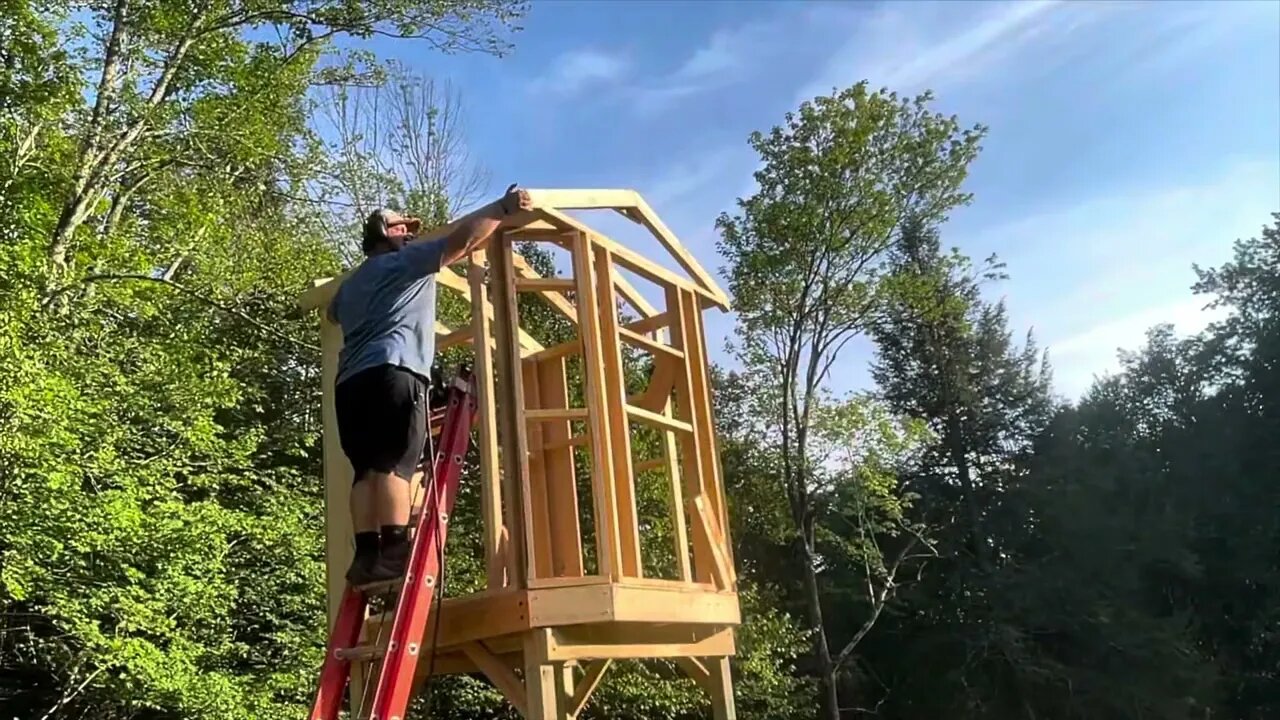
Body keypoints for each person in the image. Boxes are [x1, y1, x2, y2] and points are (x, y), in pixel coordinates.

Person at [327, 184, 532, 586]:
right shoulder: (404, 263)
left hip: (349, 383)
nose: (411, 235)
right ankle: (395, 551)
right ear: (386, 233)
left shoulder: (350, 287)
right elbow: (462, 240)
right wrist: (503, 207)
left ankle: (366, 556)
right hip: (394, 370)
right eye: (404, 229)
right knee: (394, 465)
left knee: (364, 471)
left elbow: (333, 314)